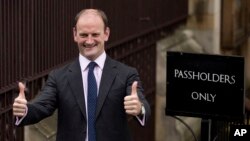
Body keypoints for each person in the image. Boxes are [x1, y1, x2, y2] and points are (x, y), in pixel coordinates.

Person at [13, 8, 151, 141]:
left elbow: (142, 104)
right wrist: (24, 110)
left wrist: (139, 108)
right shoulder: (59, 77)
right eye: (84, 35)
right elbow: (42, 106)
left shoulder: (127, 74)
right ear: (75, 34)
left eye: (95, 35)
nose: (89, 41)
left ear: (106, 33)